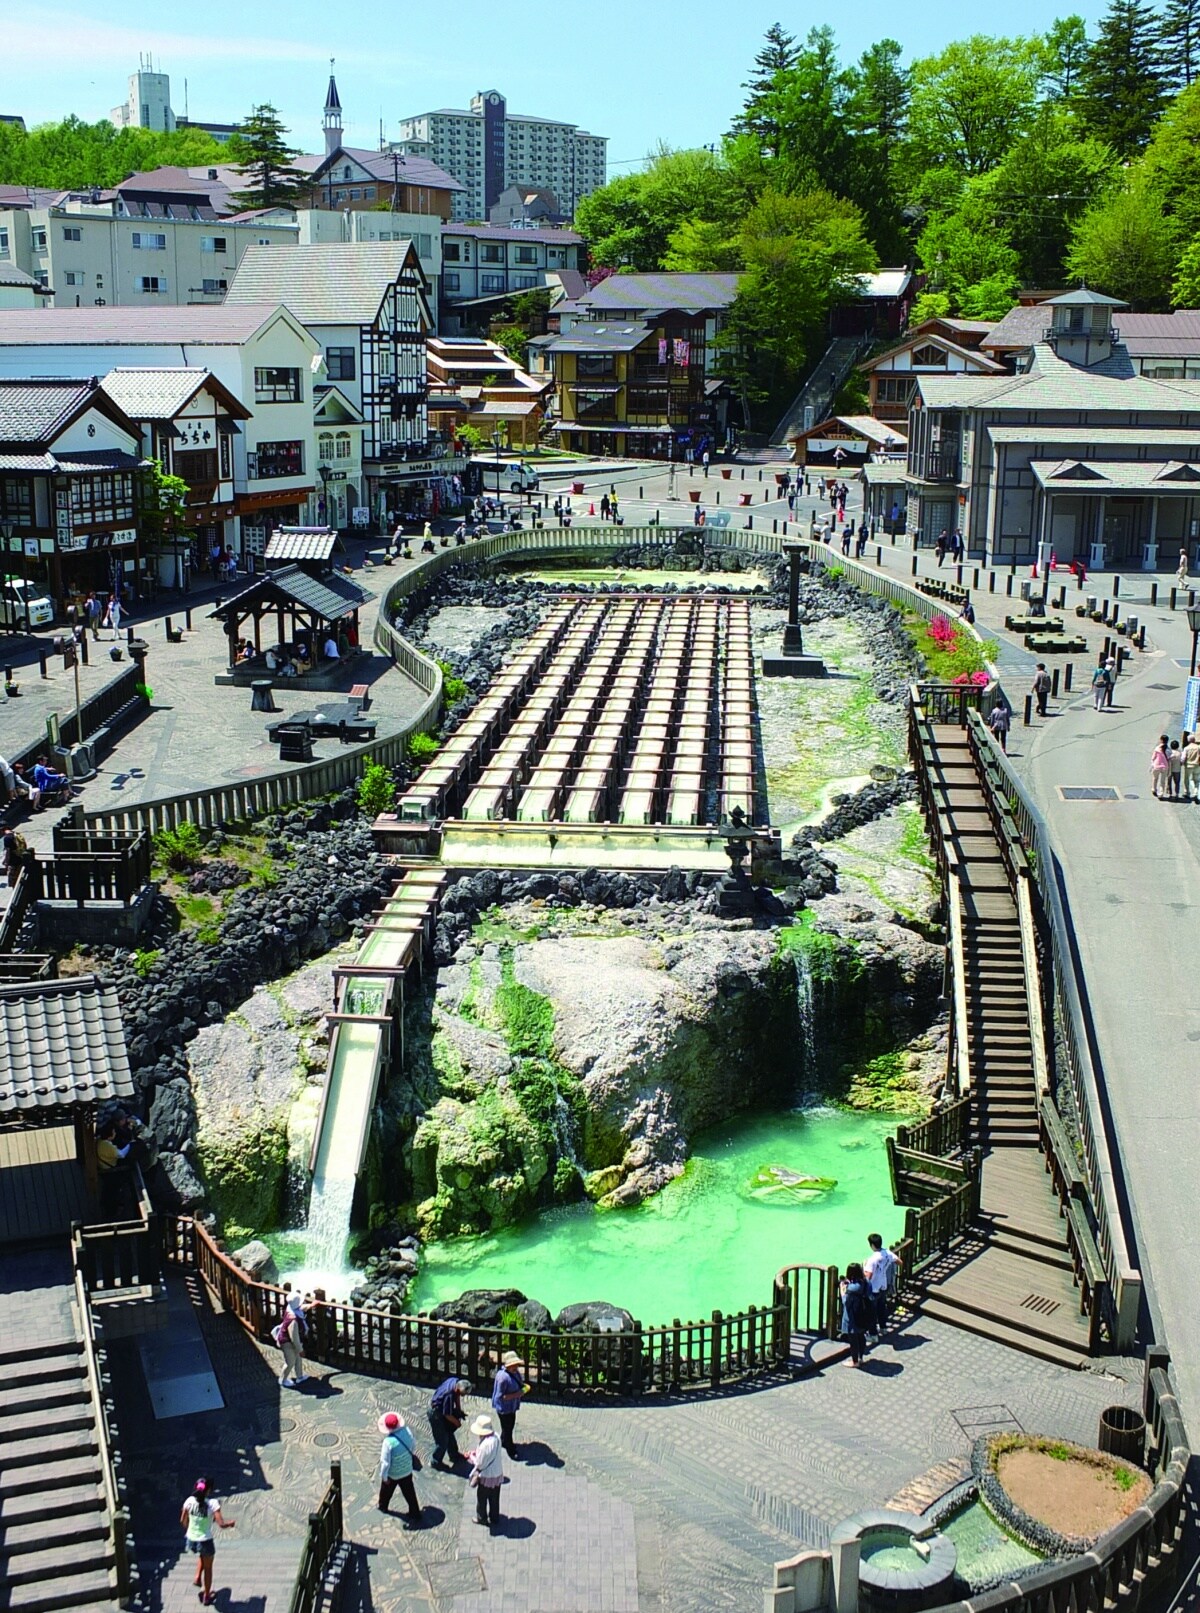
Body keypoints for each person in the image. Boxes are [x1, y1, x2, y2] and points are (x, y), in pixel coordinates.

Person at [181, 1479, 234, 1606]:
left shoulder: (189, 1501)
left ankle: (197, 1577)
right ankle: (206, 1596)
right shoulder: (212, 1504)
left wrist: (189, 1530)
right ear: (209, 1490)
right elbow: (221, 1524)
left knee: (201, 1555)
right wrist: (230, 1524)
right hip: (205, 1540)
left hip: (191, 1539)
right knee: (208, 1568)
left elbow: (182, 1520)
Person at [377, 1411, 421, 1523]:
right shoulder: (407, 1432)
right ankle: (415, 1512)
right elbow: (413, 1445)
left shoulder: (388, 1442)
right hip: (407, 1470)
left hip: (393, 1474)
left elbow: (385, 1462)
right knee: (409, 1492)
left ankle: (383, 1506)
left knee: (386, 1492)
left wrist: (384, 1477)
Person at [468, 1412, 505, 1530]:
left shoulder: (485, 1445)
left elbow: (480, 1463)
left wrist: (472, 1456)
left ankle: (481, 1517)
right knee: (495, 1498)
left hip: (486, 1476)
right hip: (497, 1473)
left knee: (482, 1498)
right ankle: (494, 1517)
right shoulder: (497, 1437)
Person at [428, 1376, 472, 1468]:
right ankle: (435, 1462)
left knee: (449, 1433)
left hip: (442, 1409)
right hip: (436, 1414)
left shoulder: (455, 1381)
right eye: (463, 1394)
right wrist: (457, 1422)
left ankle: (454, 1455)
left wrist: (459, 1411)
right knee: (442, 1440)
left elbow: (457, 1396)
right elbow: (447, 1415)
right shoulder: (449, 1395)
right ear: (458, 1389)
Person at [491, 1349, 526, 1458]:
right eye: (513, 1365)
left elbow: (519, 1383)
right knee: (508, 1428)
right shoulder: (502, 1377)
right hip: (504, 1408)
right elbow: (500, 1397)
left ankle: (503, 1440)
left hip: (511, 1406)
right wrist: (517, 1394)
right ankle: (511, 1450)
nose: (515, 1367)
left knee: (507, 1427)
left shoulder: (515, 1373)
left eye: (516, 1365)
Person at [863, 1233, 899, 1339]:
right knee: (882, 1308)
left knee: (872, 1312)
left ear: (872, 1245)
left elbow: (868, 1276)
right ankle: (883, 1328)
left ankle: (873, 1334)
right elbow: (899, 1261)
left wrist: (864, 1266)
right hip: (883, 1285)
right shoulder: (887, 1253)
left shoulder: (872, 1259)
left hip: (874, 1288)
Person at [274, 1292, 310, 1388]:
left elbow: (301, 1308)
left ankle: (300, 1376)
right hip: (287, 1343)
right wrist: (300, 1350)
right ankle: (283, 1379)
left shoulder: (290, 1309)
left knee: (298, 1359)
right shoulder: (293, 1320)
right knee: (290, 1362)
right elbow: (294, 1338)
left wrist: (311, 1305)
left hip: (290, 1341)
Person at [839, 1263, 871, 1367]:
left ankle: (855, 1361)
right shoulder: (866, 1282)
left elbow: (846, 1302)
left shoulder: (851, 1289)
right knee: (861, 1337)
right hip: (864, 1313)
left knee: (853, 1340)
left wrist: (842, 1291)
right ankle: (861, 1357)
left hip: (852, 1318)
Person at [1151, 735, 1170, 799]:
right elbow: (1169, 758)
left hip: (1157, 765)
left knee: (1155, 778)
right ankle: (1161, 793)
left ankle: (1154, 789)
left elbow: (1153, 758)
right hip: (1165, 767)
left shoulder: (1157, 748)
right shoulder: (1168, 750)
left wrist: (1152, 764)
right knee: (1162, 781)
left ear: (1161, 740)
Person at [1182, 731, 1200, 801]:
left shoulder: (1186, 748)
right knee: (1197, 780)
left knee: (1186, 779)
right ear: (1194, 740)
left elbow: (1183, 758)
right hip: (1197, 765)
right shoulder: (1198, 747)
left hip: (1189, 766)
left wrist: (1182, 763)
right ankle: (1195, 793)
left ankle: (1187, 792)